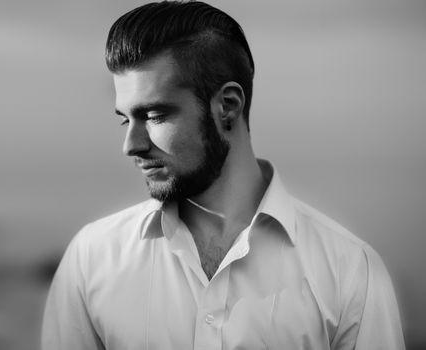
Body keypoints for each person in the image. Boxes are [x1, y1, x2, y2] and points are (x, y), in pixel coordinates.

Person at [42, 1, 405, 349]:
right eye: (125, 119)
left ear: (227, 106)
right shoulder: (92, 258)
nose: (130, 145)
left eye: (154, 116)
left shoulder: (349, 269)